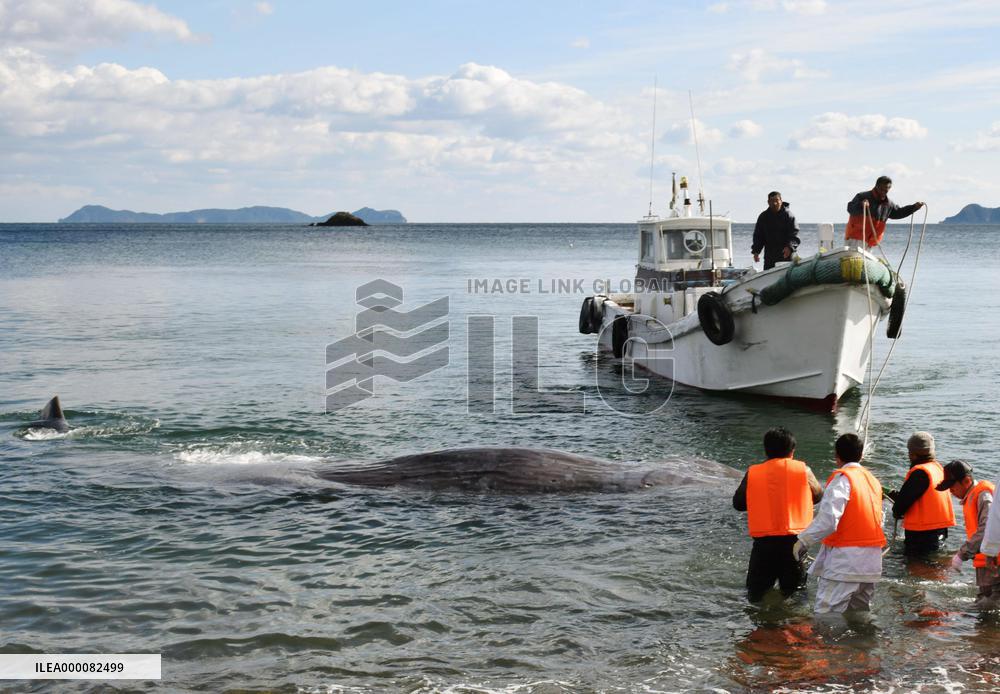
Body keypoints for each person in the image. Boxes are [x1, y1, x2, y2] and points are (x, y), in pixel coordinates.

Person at [794, 433, 886, 614]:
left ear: (837, 455)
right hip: (872, 561)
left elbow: (829, 520)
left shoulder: (843, 479)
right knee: (859, 614)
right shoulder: (873, 481)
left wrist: (803, 541)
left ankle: (828, 644)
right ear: (861, 454)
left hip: (845, 562)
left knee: (826, 614)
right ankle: (864, 642)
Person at [732, 427, 823, 602]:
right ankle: (795, 627)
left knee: (755, 594)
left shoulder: (753, 473)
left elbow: (738, 504)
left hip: (763, 545)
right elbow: (818, 496)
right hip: (795, 543)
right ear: (792, 451)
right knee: (796, 594)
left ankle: (761, 626)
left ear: (766, 450)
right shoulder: (804, 471)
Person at [937, 460, 1000, 609]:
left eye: (952, 486)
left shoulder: (983, 496)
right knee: (985, 603)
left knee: (989, 604)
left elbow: (987, 528)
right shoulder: (973, 496)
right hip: (987, 562)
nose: (950, 491)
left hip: (994, 562)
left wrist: (962, 554)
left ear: (966, 481)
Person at [886, 432, 956, 555]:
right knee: (934, 567)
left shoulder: (920, 473)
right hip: (940, 531)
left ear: (912, 454)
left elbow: (900, 506)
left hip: (921, 536)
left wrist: (897, 510)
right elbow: (924, 498)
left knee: (915, 568)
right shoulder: (938, 469)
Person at [845, 176, 925, 247]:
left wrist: (914, 207)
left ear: (889, 189)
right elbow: (850, 208)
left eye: (886, 190)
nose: (883, 192)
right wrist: (861, 205)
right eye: (881, 189)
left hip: (871, 243)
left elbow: (898, 213)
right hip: (855, 239)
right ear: (876, 186)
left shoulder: (888, 204)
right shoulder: (862, 196)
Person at [751, 191, 800, 270]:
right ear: (768, 202)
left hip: (786, 255)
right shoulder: (763, 217)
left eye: (776, 200)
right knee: (768, 277)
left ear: (781, 200)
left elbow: (794, 233)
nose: (775, 203)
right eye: (772, 201)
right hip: (770, 256)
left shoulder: (788, 215)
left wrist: (790, 246)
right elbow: (758, 236)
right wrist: (756, 251)